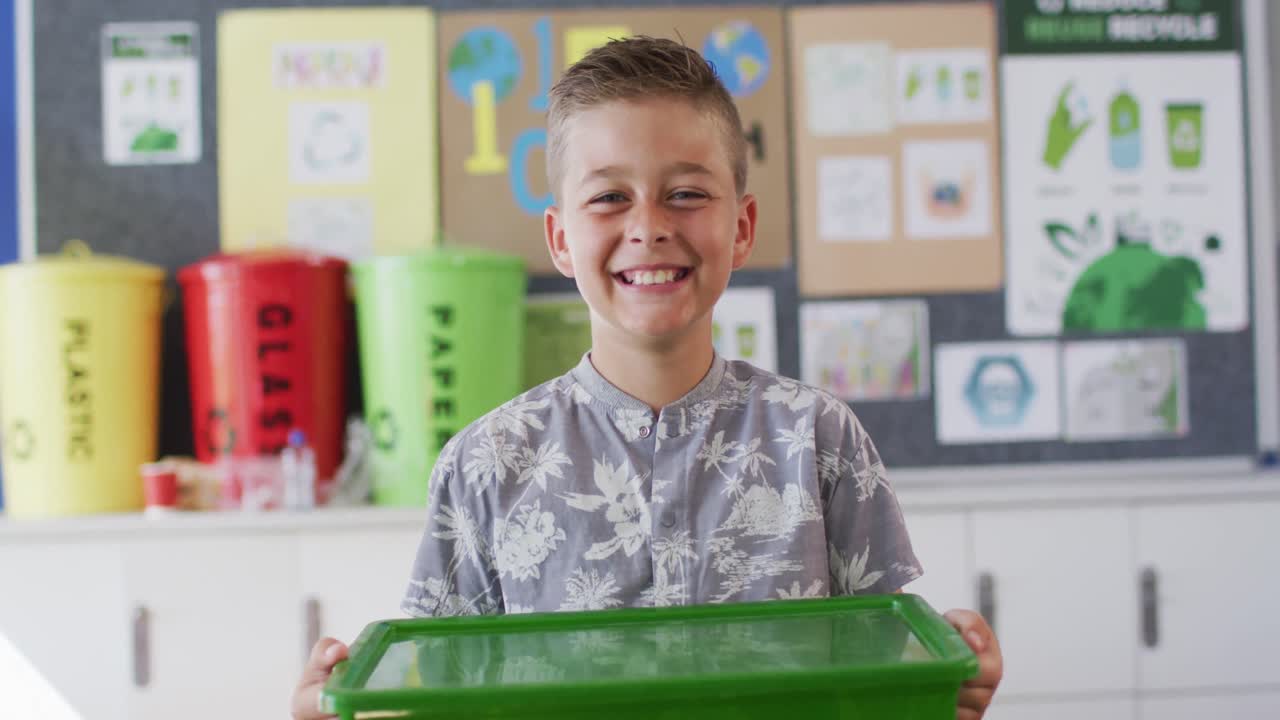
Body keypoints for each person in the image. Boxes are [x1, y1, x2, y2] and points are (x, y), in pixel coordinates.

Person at [293, 36, 1002, 720]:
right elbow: (439, 694)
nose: (649, 226)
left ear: (743, 227)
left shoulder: (818, 440)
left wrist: (948, 691)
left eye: (687, 193)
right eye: (608, 198)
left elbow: (887, 675)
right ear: (561, 239)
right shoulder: (485, 465)